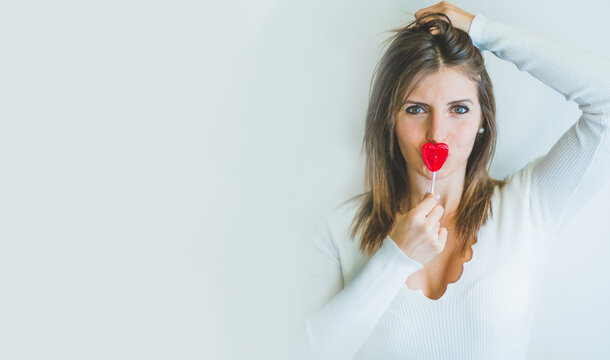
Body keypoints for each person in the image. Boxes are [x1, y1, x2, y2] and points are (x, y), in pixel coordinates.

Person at [298, 1, 610, 359]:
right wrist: (396, 259)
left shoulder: (528, 207)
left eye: (459, 109)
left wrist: (482, 30)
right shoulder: (337, 230)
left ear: (482, 120)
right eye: (416, 109)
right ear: (390, 120)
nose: (437, 134)